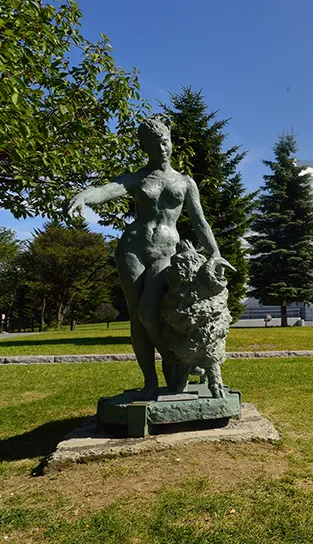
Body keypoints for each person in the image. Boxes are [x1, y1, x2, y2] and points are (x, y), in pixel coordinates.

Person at [68, 114, 222, 399]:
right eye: (154, 145)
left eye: (164, 142)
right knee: (138, 317)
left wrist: (215, 253)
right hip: (133, 249)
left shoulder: (186, 183)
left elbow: (200, 222)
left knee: (151, 313)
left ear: (171, 143)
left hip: (167, 253)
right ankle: (150, 381)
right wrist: (85, 196)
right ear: (146, 149)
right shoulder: (139, 178)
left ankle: (178, 358)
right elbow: (108, 189)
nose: (161, 149)